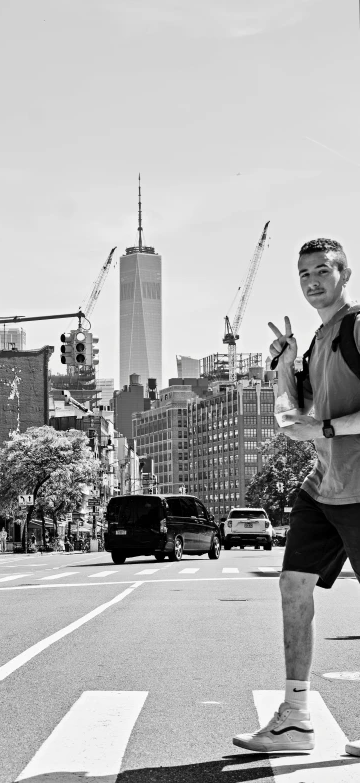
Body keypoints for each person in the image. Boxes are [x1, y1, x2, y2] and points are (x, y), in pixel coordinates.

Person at [233, 238, 360, 758]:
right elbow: (299, 414)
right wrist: (284, 365)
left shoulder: (356, 325)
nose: (312, 281)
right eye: (304, 272)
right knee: (292, 587)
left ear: (345, 273)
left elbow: (319, 425)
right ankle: (296, 719)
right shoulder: (318, 337)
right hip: (322, 487)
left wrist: (326, 430)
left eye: (322, 270)